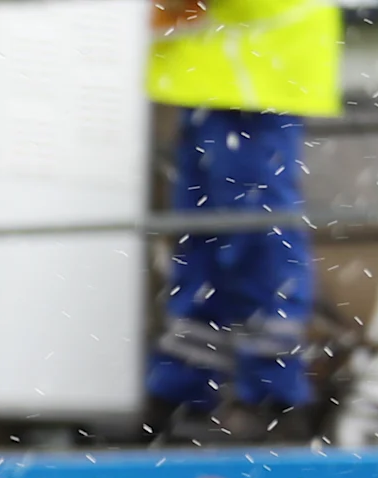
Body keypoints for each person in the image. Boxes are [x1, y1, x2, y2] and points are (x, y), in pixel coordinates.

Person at [145, 0, 339, 434]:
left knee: (253, 233)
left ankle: (273, 393)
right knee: (208, 236)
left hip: (253, 68)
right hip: (226, 70)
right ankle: (190, 386)